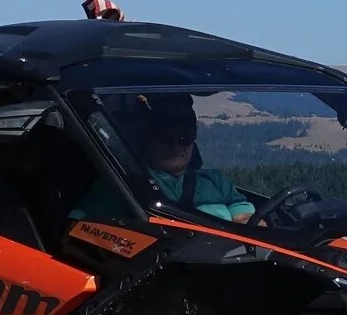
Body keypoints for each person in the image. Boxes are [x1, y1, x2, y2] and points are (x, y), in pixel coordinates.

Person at [69, 94, 256, 224]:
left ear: (194, 140)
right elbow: (79, 225)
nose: (175, 146)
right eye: (165, 138)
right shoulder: (122, 182)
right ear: (148, 140)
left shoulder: (216, 181)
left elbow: (251, 222)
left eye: (184, 138)